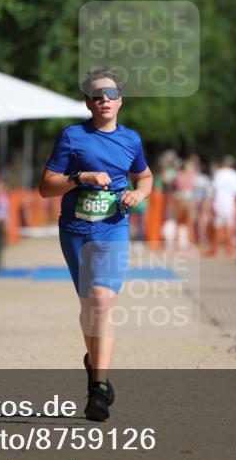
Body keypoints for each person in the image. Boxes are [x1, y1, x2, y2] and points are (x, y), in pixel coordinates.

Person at [38, 68, 153, 422]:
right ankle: (94, 363)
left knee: (102, 301)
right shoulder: (72, 137)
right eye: (97, 95)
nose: (104, 100)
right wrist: (78, 178)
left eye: (111, 94)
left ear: (121, 101)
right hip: (75, 229)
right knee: (90, 305)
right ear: (89, 102)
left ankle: (98, 390)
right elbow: (46, 186)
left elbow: (145, 176)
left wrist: (139, 193)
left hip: (113, 227)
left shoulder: (131, 139)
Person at [210, 155, 236, 256]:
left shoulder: (219, 173)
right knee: (229, 226)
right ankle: (229, 249)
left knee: (217, 226)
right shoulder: (235, 175)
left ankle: (215, 249)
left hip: (219, 202)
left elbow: (214, 189)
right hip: (230, 203)